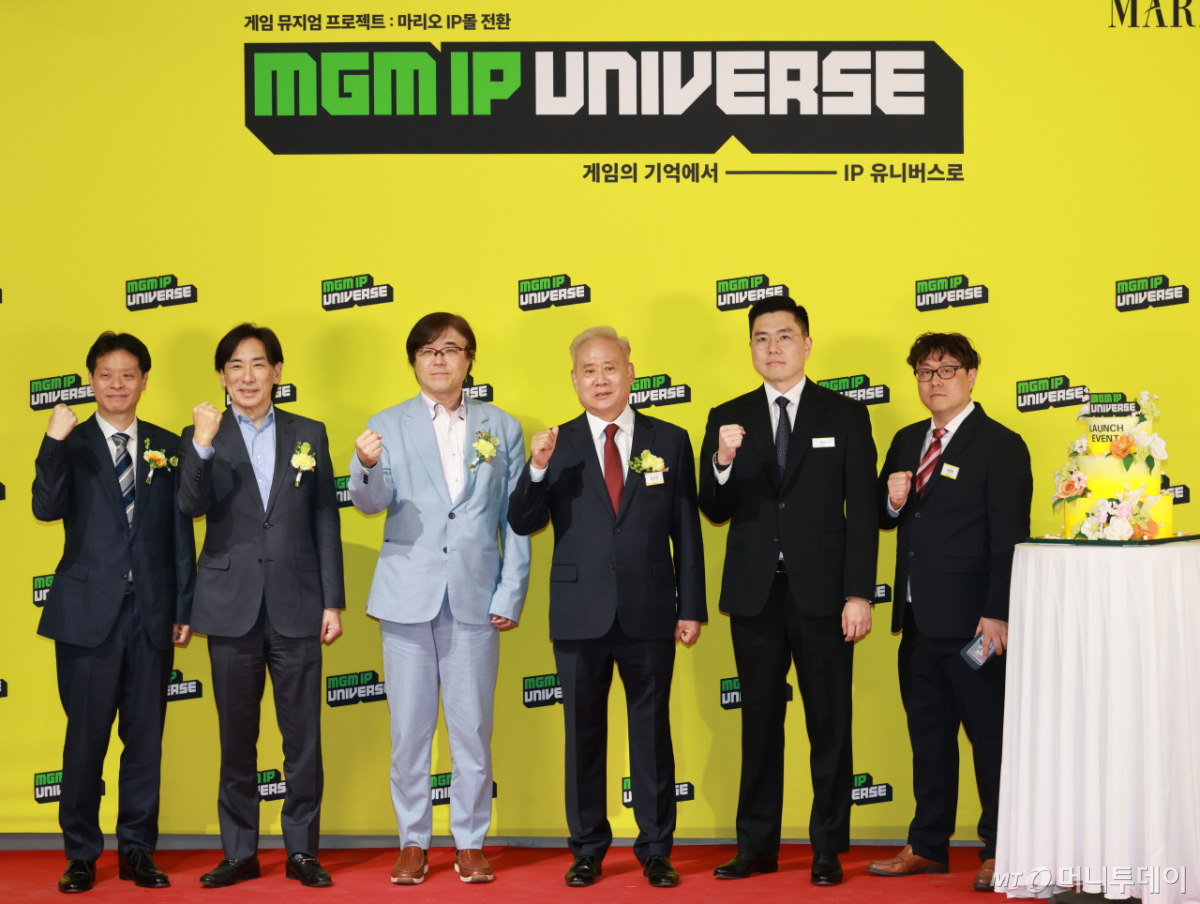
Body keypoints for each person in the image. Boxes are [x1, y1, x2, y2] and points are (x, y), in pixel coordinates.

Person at [507, 326, 706, 889]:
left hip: (650, 610)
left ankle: (656, 849)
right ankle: (588, 849)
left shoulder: (670, 440)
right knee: (583, 737)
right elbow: (523, 521)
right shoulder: (556, 443)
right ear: (574, 381)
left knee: (652, 735)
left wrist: (690, 606)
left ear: (630, 373)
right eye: (588, 371)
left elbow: (687, 532)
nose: (600, 379)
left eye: (610, 368)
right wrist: (536, 468)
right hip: (579, 613)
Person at [698, 296, 877, 886]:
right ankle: (756, 846)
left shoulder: (844, 415)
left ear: (806, 343)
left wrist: (859, 593)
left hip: (824, 597)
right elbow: (713, 507)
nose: (772, 348)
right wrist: (722, 459)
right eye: (761, 338)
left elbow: (863, 510)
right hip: (755, 596)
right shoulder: (728, 417)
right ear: (750, 347)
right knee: (758, 725)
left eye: (784, 336)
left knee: (829, 723)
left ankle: (828, 847)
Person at [348, 313, 530, 886]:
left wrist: (511, 591)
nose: (440, 359)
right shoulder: (385, 425)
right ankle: (412, 841)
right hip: (406, 596)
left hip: (476, 597)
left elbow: (517, 518)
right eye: (428, 350)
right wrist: (367, 465)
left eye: (451, 348)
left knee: (472, 729)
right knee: (409, 731)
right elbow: (368, 503)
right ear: (414, 361)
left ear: (469, 359)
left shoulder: (502, 427)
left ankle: (470, 842)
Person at [177, 323, 345, 888]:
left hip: (298, 604)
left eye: (257, 364)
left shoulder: (308, 432)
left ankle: (302, 851)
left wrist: (332, 600)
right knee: (236, 740)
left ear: (277, 371)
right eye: (235, 366)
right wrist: (202, 445)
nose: (247, 376)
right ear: (222, 376)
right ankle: (239, 852)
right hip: (230, 607)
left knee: (303, 740)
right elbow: (190, 505)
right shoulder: (202, 433)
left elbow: (324, 517)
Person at [866, 332, 1031, 892]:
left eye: (946, 370)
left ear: (971, 375)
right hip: (916, 620)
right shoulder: (906, 439)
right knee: (929, 739)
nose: (934, 381)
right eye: (924, 371)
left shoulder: (1001, 445)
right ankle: (928, 845)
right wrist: (892, 500)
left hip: (975, 626)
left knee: (990, 741)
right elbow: (886, 518)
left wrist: (997, 613)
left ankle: (1001, 847)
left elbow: (1010, 539)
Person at [32, 331, 195, 893]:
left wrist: (182, 606)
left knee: (145, 742)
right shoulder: (71, 442)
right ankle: (81, 854)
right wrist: (52, 442)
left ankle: (137, 851)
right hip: (86, 617)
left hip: (151, 614)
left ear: (144, 380)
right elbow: (45, 506)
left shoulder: (167, 446)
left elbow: (180, 535)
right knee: (86, 741)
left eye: (128, 374)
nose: (117, 384)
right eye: (106, 375)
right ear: (91, 381)